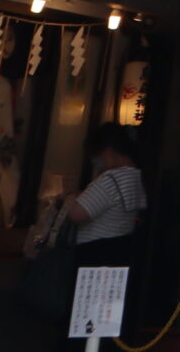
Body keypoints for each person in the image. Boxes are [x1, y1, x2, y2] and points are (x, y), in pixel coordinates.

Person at [64, 123, 145, 293]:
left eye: (96, 156)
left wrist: (70, 198)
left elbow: (77, 214)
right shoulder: (136, 177)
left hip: (95, 253)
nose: (96, 162)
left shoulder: (111, 179)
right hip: (119, 250)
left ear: (108, 150)